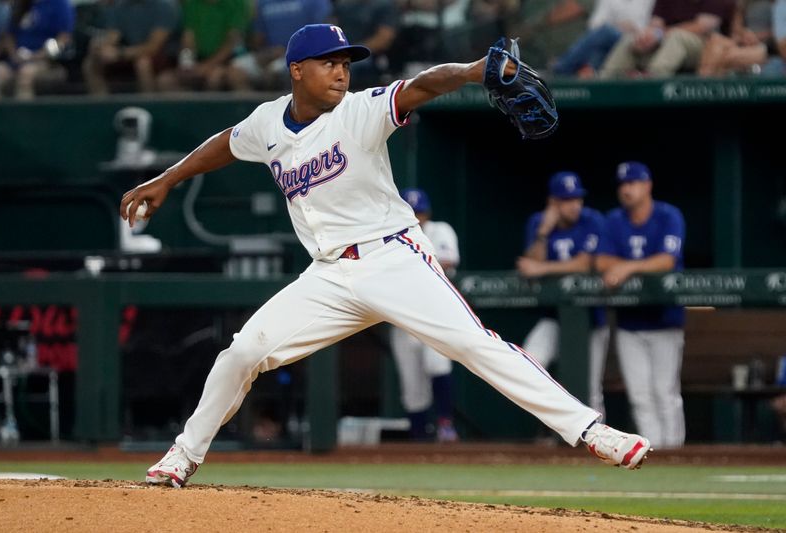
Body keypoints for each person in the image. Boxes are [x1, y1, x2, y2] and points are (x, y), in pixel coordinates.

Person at [120, 23, 652, 488]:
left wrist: (472, 70)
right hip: (327, 275)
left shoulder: (360, 112)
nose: (341, 72)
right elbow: (227, 141)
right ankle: (183, 456)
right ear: (297, 70)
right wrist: (167, 179)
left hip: (393, 258)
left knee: (474, 344)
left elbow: (421, 86)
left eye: (346, 63)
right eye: (329, 63)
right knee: (241, 353)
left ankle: (592, 431)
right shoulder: (267, 123)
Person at [595, 161, 686, 449]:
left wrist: (628, 268)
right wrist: (623, 267)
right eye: (623, 184)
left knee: (665, 391)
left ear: (647, 185)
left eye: (633, 183)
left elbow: (667, 260)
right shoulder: (613, 219)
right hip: (628, 322)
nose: (627, 189)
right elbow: (601, 261)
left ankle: (674, 451)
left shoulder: (668, 215)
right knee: (640, 394)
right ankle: (654, 452)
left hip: (665, 319)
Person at [517, 171, 609, 417]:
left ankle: (599, 443)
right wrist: (544, 232)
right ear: (553, 203)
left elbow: (588, 263)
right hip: (554, 316)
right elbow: (529, 267)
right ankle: (553, 430)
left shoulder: (593, 219)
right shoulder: (539, 223)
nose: (574, 205)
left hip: (591, 317)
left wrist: (544, 268)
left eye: (577, 199)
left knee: (590, 388)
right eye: (567, 200)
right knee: (530, 364)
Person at [390, 187, 460, 442]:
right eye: (410, 213)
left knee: (437, 363)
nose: (416, 219)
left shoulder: (440, 230)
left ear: (427, 213)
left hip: (434, 313)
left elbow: (449, 260)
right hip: (401, 317)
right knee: (411, 386)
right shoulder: (389, 235)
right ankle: (418, 440)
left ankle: (446, 424)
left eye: (419, 213)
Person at [599, 0, 737, 78]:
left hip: (710, 48)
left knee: (677, 37)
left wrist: (659, 34)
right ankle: (603, 84)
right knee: (631, 39)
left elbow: (702, 26)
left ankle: (652, 82)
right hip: (668, 44)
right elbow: (656, 23)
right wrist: (647, 36)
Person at [227, 0, 332, 91]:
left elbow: (323, 36)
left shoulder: (315, 2)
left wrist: (290, 51)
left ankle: (283, 111)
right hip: (269, 54)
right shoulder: (262, 3)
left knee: (274, 72)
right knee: (236, 69)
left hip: (302, 56)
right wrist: (266, 54)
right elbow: (257, 40)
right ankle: (251, 110)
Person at [81, 0, 178, 95]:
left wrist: (120, 53)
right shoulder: (119, 6)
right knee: (90, 63)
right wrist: (101, 47)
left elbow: (153, 47)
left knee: (143, 63)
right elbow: (113, 36)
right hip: (129, 52)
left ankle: (148, 106)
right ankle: (101, 105)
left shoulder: (164, 7)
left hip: (161, 55)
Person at [0, 0, 74, 100]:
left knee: (26, 73)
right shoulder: (21, 3)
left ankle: (24, 115)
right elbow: (9, 36)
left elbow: (63, 39)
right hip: (16, 59)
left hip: (46, 61)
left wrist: (38, 55)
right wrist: (14, 54)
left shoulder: (59, 4)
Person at [156, 0, 249, 92]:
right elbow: (188, 38)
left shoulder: (237, 3)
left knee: (216, 78)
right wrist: (188, 64)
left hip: (230, 60)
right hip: (199, 59)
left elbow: (231, 43)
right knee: (165, 81)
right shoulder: (191, 4)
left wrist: (207, 66)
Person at [551, 0, 655, 78]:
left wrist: (632, 27)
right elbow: (594, 25)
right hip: (611, 37)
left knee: (605, 33)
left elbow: (651, 26)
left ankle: (562, 67)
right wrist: (618, 26)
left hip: (637, 38)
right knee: (602, 39)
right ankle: (590, 75)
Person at [698, 0, 776, 77]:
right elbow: (736, 28)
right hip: (744, 41)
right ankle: (703, 83)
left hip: (765, 46)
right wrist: (744, 34)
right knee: (715, 40)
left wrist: (756, 36)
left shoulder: (777, 3)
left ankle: (704, 84)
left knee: (727, 56)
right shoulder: (745, 3)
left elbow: (779, 32)